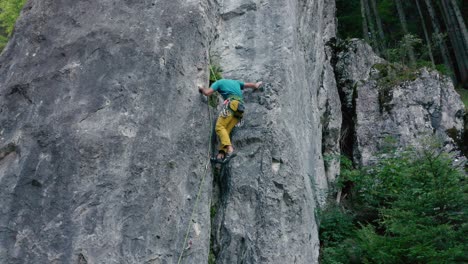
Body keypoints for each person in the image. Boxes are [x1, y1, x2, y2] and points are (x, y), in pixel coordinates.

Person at [199, 79, 262, 162]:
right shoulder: (236, 82)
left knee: (219, 127)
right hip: (240, 108)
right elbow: (250, 85)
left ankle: (230, 149)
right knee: (225, 131)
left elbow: (207, 93)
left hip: (232, 104)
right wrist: (256, 85)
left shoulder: (218, 83)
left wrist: (201, 88)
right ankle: (221, 155)